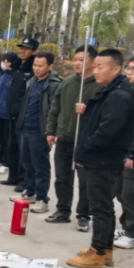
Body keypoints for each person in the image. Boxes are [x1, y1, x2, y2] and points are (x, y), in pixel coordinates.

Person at [67, 49, 134, 268]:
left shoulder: (119, 96)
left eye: (100, 67)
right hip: (102, 158)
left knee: (100, 208)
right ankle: (105, 250)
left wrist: (88, 146)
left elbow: (108, 130)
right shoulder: (111, 91)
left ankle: (96, 254)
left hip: (102, 159)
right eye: (94, 66)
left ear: (116, 69)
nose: (95, 71)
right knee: (104, 206)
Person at [44, 46, 102, 229]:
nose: (77, 63)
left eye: (81, 60)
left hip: (86, 142)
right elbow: (55, 108)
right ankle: (63, 210)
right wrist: (51, 131)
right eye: (75, 59)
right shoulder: (67, 82)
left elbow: (105, 114)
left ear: (93, 62)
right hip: (64, 139)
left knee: (85, 182)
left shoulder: (100, 85)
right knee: (62, 178)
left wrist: (87, 110)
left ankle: (83, 215)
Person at [10, 52, 61, 214]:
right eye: (35, 65)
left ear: (50, 66)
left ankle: (42, 199)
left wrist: (51, 131)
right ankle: (30, 192)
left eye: (40, 66)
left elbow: (55, 110)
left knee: (40, 166)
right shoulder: (32, 81)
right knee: (27, 163)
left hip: (40, 131)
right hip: (25, 128)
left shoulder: (54, 85)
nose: (36, 68)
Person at [1, 38, 38, 191]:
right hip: (13, 113)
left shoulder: (33, 68)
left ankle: (23, 181)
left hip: (24, 115)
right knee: (12, 147)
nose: (22, 51)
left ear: (34, 51)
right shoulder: (17, 67)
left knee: (23, 150)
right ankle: (13, 176)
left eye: (26, 49)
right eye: (21, 48)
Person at [113, 57, 134, 249]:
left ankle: (132, 233)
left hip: (131, 155)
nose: (129, 72)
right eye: (129, 68)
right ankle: (126, 225)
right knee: (120, 191)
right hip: (122, 151)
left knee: (130, 194)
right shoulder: (128, 92)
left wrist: (132, 154)